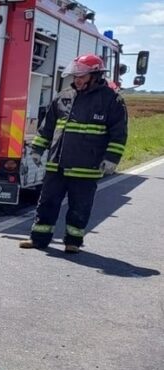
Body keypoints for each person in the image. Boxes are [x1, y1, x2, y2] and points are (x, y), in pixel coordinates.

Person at [20, 54, 128, 254]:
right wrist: (37, 149)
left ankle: (73, 242)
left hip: (86, 167)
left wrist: (111, 159)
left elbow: (119, 133)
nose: (77, 79)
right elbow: (48, 127)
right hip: (56, 164)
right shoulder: (63, 96)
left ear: (95, 75)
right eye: (75, 75)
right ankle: (38, 239)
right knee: (47, 202)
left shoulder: (111, 100)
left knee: (80, 206)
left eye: (82, 75)